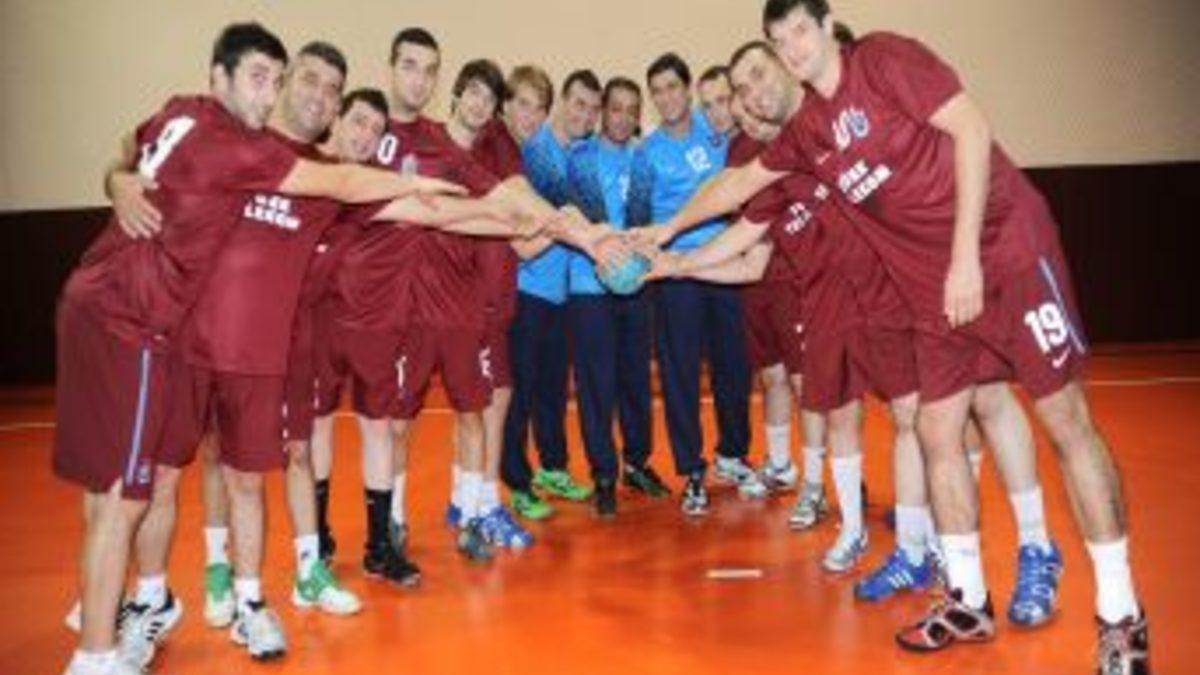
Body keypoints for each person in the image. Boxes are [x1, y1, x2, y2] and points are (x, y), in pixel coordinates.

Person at [55, 22, 464, 674]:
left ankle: (227, 600)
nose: (272, 91)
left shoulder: (195, 114)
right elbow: (130, 152)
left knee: (153, 487)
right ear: (219, 76)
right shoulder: (241, 144)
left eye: (280, 79)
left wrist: (452, 199)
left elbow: (348, 187)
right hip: (158, 330)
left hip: (184, 330)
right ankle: (132, 614)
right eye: (267, 77)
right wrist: (118, 180)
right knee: (134, 488)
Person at [628, 52, 766, 517]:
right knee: (680, 373)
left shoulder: (718, 131)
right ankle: (691, 470)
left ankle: (733, 454)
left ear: (687, 90)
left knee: (734, 366)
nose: (666, 97)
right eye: (657, 91)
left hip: (726, 262)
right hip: (675, 274)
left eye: (672, 87)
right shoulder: (646, 153)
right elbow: (639, 218)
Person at [501, 69, 603, 516]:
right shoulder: (529, 152)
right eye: (579, 103)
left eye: (593, 109)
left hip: (562, 295)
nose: (586, 115)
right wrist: (566, 223)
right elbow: (529, 226)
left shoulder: (578, 155)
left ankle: (553, 468)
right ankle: (517, 482)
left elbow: (590, 219)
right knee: (520, 392)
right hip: (524, 289)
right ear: (562, 103)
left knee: (552, 389)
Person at [565, 76, 667, 517]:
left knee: (636, 380)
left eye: (631, 110)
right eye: (616, 108)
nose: (623, 118)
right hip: (589, 287)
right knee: (596, 385)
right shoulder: (579, 158)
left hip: (637, 286)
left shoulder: (643, 159)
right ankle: (603, 474)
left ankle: (636, 463)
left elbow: (649, 220)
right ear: (603, 111)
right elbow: (570, 218)